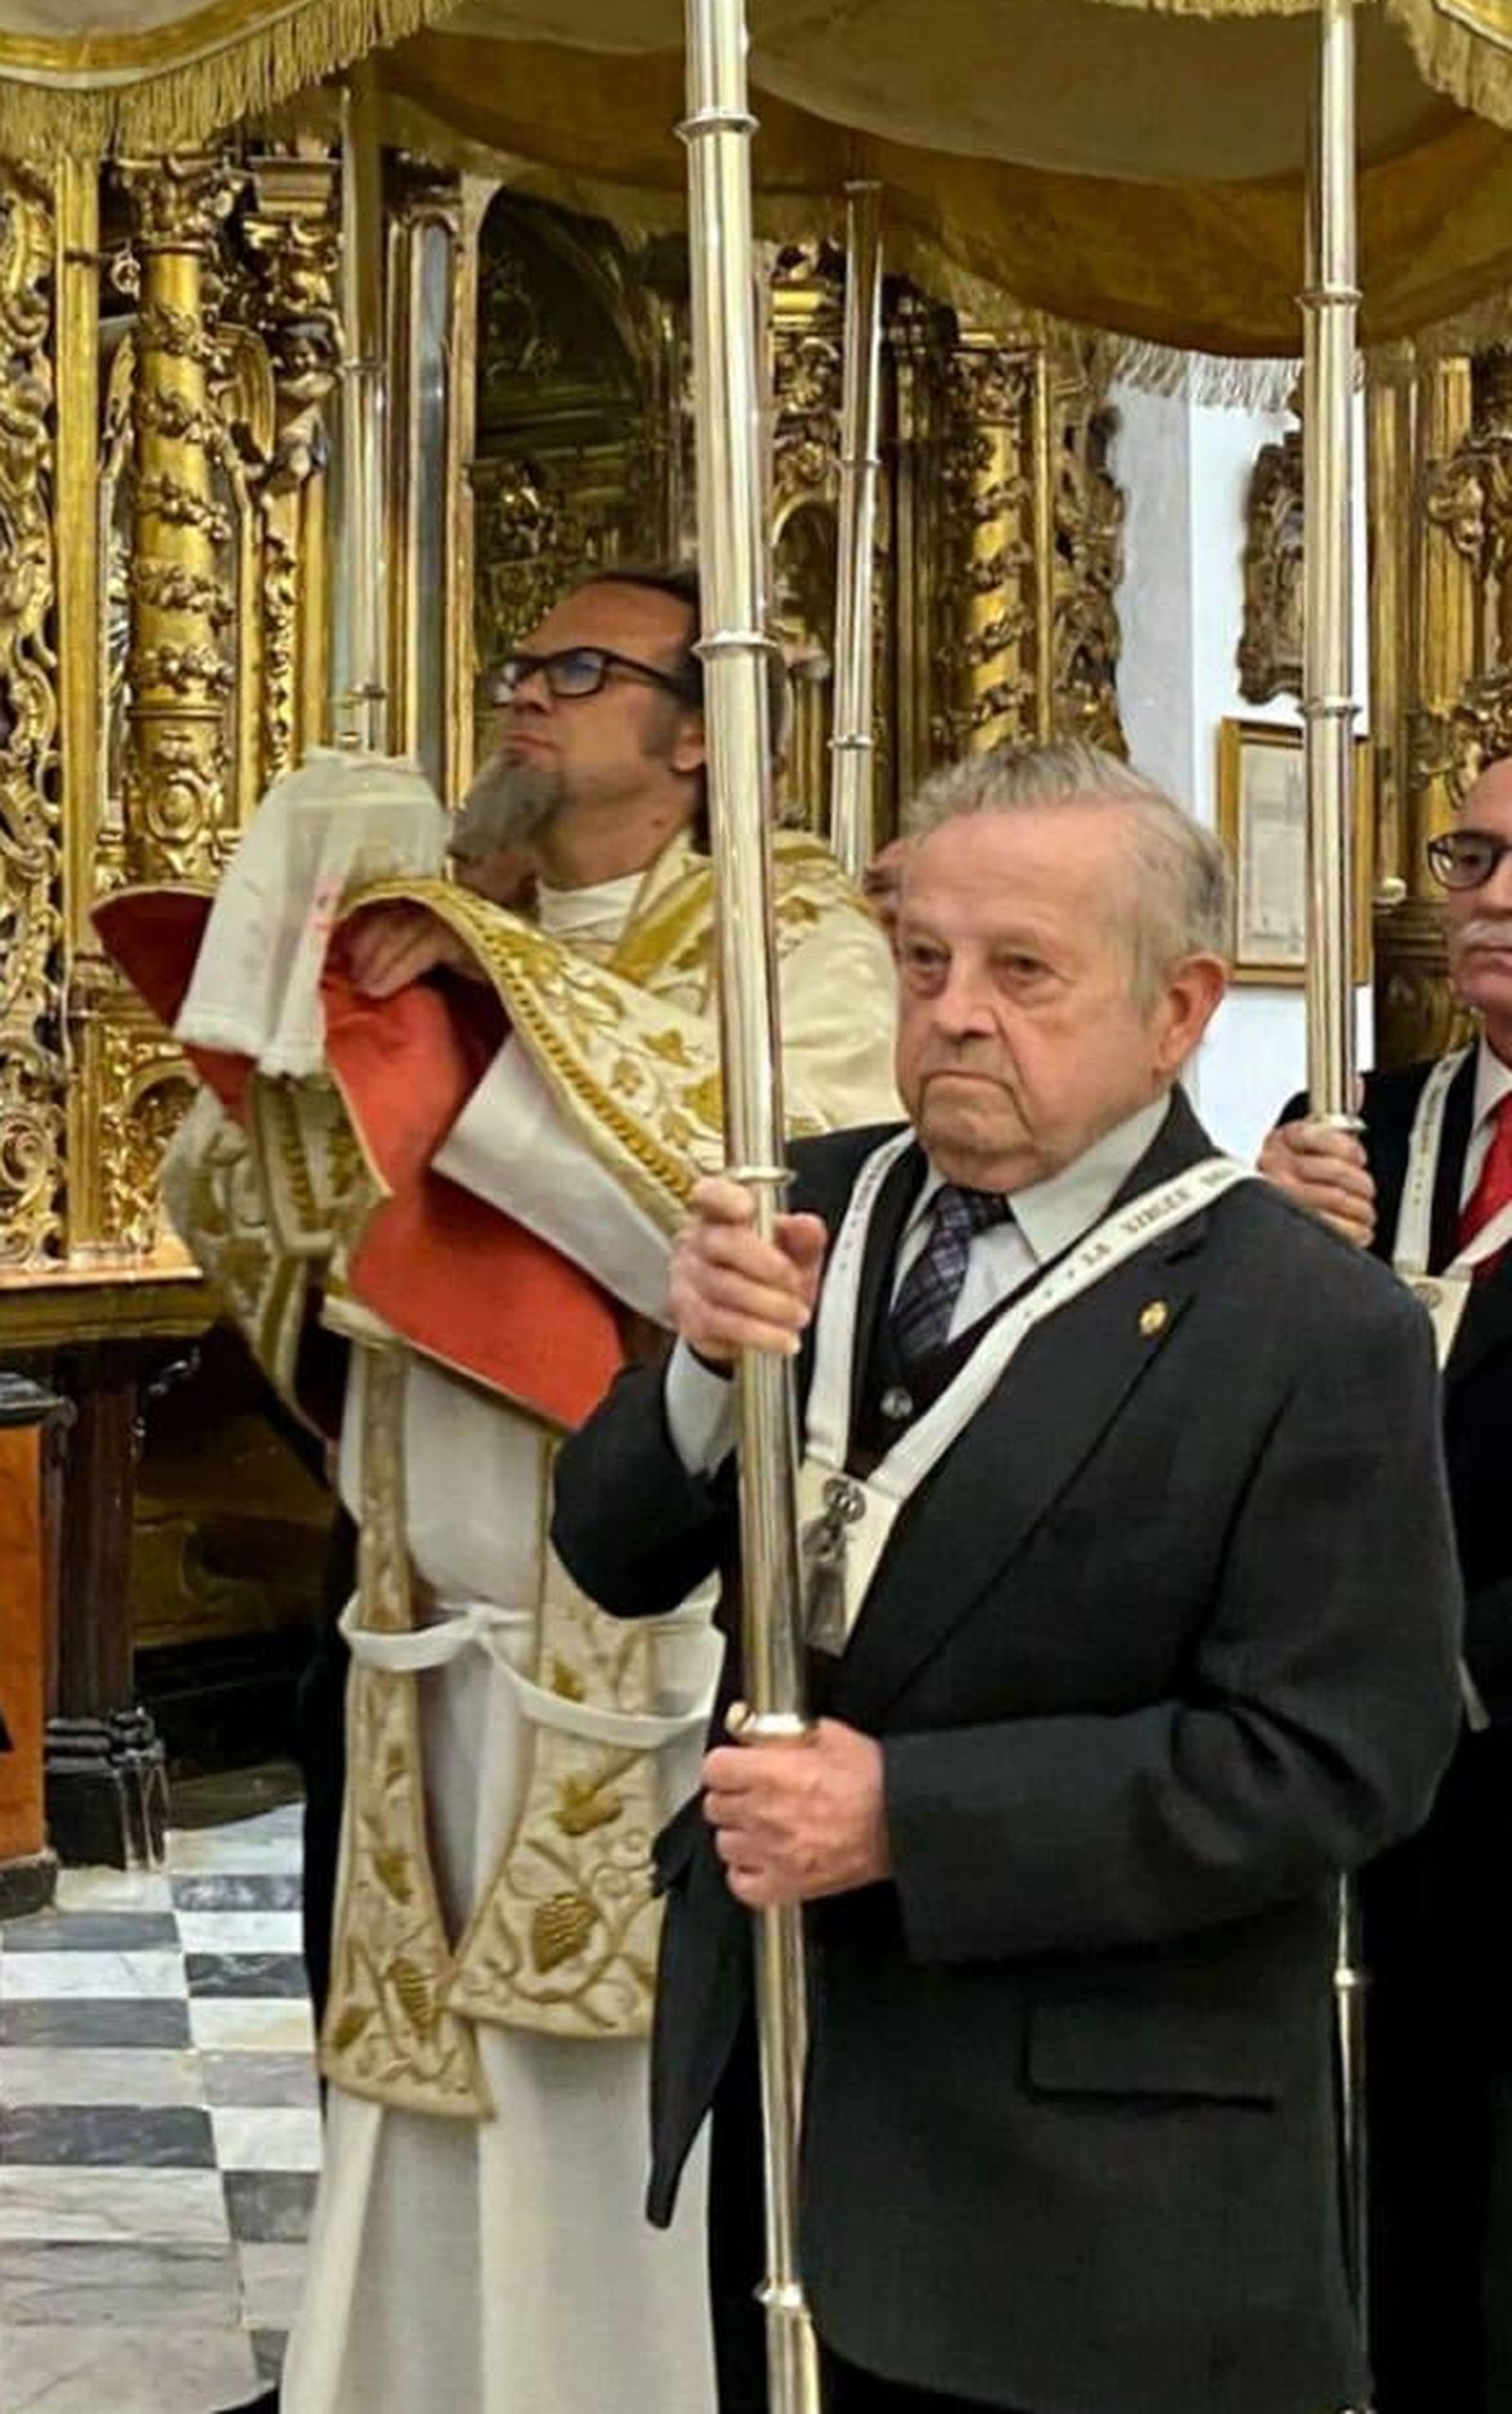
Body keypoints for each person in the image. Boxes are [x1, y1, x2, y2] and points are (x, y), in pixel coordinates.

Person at [552, 739, 1465, 2414]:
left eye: (1022, 969)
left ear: (1181, 1007)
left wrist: (912, 1815)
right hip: (797, 2085)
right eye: (924, 960)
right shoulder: (804, 1206)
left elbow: (1339, 1758)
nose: (956, 1010)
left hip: (1096, 2185)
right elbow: (609, 1553)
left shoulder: (1306, 1326)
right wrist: (697, 1362)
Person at [99, 560, 900, 2414]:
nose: (521, 696)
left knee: (588, 2111)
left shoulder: (795, 946)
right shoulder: (454, 915)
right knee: (413, 2086)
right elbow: (272, 1237)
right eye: (515, 661)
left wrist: (493, 992)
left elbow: (763, 1219)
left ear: (696, 732)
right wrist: (303, 1063)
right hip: (416, 1634)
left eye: (575, 669)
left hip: (639, 1655)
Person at [1258, 751, 1512, 2414]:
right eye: (1471, 852)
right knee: (1391, 2210)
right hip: (1360, 1799)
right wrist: (1253, 1245)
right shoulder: (1361, 1123)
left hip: (1495, 1737)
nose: (1487, 894)